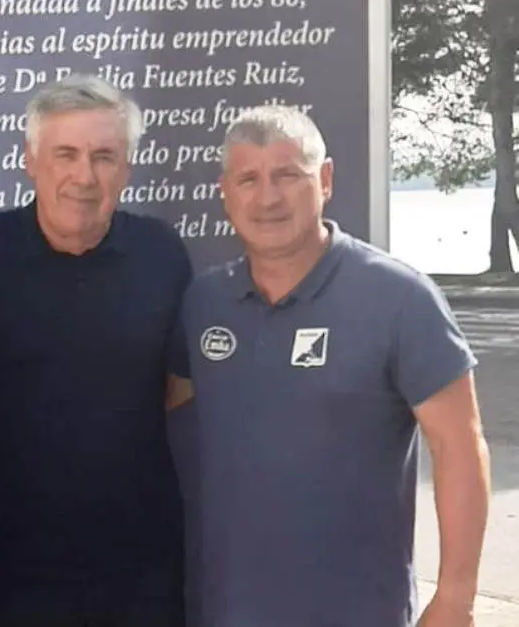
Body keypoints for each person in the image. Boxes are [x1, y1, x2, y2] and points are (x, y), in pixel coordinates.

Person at [167, 105, 491, 627]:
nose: (268, 197)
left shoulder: (401, 299)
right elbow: (170, 422)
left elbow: (459, 445)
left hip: (359, 610)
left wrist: (456, 599)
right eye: (249, 178)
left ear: (326, 180)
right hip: (220, 609)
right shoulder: (203, 303)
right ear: (225, 192)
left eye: (288, 176)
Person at [0, 74, 192, 627]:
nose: (83, 176)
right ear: (30, 159)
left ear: (128, 167)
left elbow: (180, 384)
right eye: (65, 153)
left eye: (104, 156)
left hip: (142, 572)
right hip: (15, 572)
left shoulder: (162, 254)